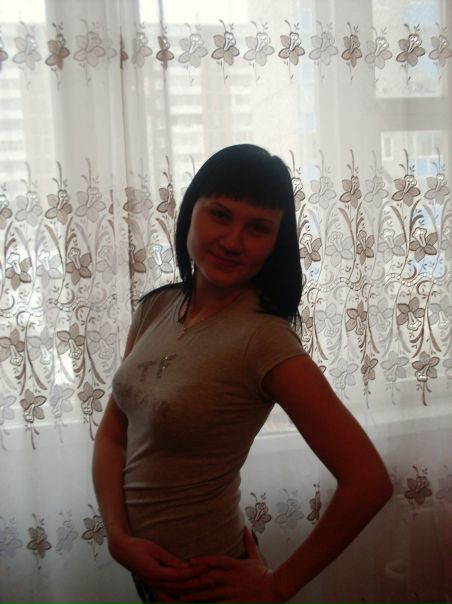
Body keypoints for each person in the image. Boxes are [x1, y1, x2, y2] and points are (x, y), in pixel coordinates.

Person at [92, 144, 393, 604]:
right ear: (190, 212)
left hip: (208, 583)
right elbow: (115, 434)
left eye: (257, 228)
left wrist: (278, 585)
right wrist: (117, 536)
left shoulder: (263, 339)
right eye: (220, 215)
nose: (233, 242)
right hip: (144, 572)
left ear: (275, 243)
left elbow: (368, 481)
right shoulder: (156, 307)